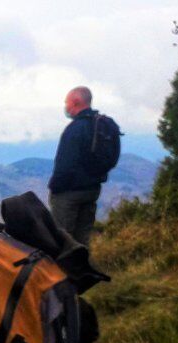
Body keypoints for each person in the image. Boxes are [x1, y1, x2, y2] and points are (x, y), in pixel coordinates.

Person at [49, 86, 115, 246]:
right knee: (83, 238)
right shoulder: (103, 125)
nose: (66, 107)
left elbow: (65, 164)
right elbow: (112, 157)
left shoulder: (75, 129)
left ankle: (63, 270)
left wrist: (55, 187)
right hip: (92, 190)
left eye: (67, 103)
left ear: (76, 103)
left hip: (68, 193)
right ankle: (82, 269)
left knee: (62, 238)